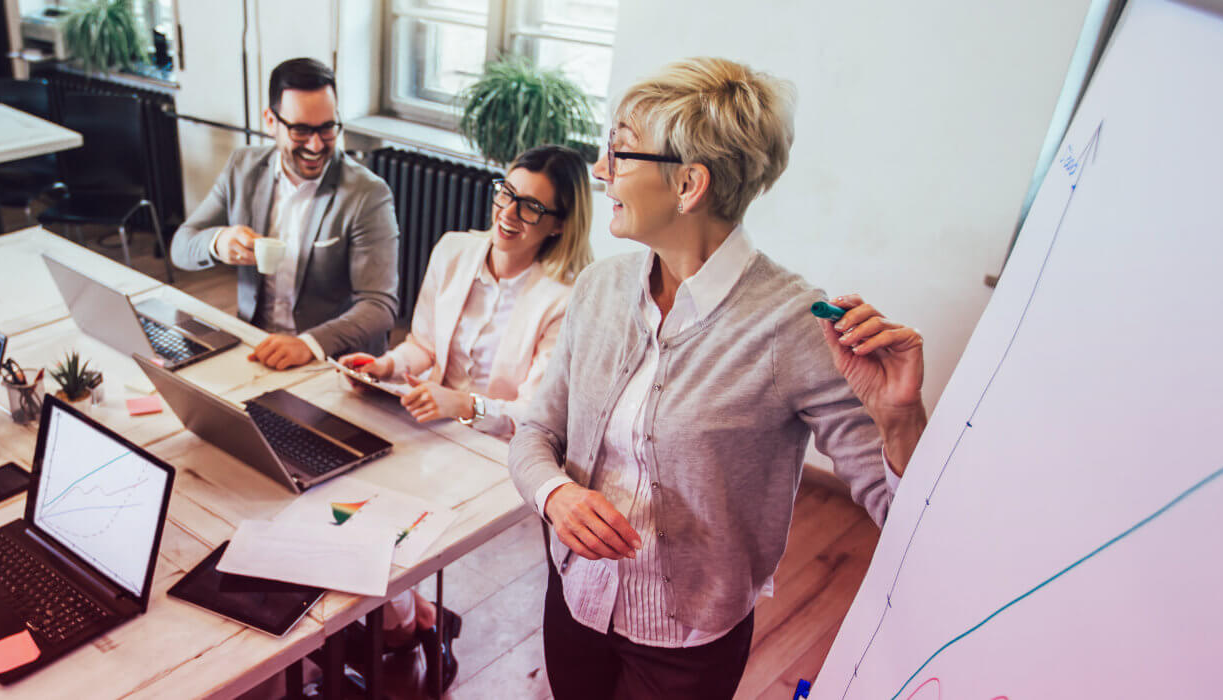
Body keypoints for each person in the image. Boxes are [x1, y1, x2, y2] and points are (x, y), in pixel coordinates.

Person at [507, 58, 930, 699]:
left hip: (687, 644)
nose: (599, 170)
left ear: (689, 185)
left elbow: (908, 516)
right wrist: (554, 496)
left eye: (619, 152)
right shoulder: (598, 288)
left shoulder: (796, 324)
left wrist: (900, 417)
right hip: (574, 600)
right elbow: (535, 429)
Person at [333, 143, 595, 695]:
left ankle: (403, 632)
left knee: (382, 529)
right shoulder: (455, 250)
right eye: (506, 193)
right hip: (425, 422)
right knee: (340, 502)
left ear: (558, 224)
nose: (508, 213)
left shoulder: (566, 299)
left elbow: (538, 414)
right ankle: (413, 622)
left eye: (530, 207)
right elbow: (423, 344)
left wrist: (465, 405)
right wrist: (386, 364)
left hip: (496, 452)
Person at [169, 57, 400, 369]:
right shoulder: (243, 169)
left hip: (331, 360)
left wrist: (308, 344)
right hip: (256, 346)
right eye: (301, 130)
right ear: (270, 120)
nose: (316, 145)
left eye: (327, 128)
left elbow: (379, 306)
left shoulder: (367, 194)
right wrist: (219, 242)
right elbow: (181, 247)